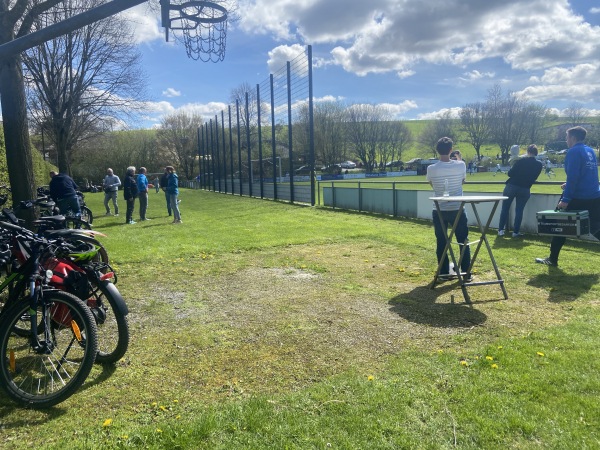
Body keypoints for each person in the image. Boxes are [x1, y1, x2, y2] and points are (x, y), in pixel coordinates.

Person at [536, 126, 600, 266]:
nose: (566, 140)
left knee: (559, 226)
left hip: (578, 197)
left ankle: (552, 259)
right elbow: (589, 174)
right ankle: (552, 258)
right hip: (594, 195)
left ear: (573, 137)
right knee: (595, 227)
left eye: (567, 137)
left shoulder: (573, 152)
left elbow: (573, 176)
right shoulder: (590, 151)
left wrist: (565, 199)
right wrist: (570, 183)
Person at [426, 137, 471, 282]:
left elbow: (433, 185)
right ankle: (466, 273)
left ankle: (444, 273)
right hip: (457, 208)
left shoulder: (431, 168)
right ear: (451, 150)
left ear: (437, 150)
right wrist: (458, 159)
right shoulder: (461, 165)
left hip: (439, 209)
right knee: (463, 240)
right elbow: (462, 182)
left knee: (441, 241)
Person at [497, 144, 543, 237]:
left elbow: (510, 174)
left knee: (505, 208)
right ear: (536, 153)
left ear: (528, 152)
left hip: (512, 186)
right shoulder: (539, 164)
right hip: (525, 188)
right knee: (519, 210)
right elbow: (534, 177)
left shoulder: (521, 161)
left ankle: (501, 230)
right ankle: (515, 232)